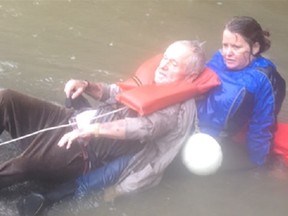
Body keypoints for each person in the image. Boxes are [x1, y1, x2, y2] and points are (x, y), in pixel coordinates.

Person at [14, 40, 219, 215]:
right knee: (76, 101)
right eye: (165, 58)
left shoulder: (178, 108)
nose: (163, 66)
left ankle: (45, 200)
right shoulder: (157, 79)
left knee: (92, 184)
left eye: (173, 64)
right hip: (117, 135)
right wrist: (85, 84)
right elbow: (116, 91)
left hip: (139, 157)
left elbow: (143, 127)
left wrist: (92, 129)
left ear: (191, 76)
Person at [195, 16, 286, 166]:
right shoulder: (219, 57)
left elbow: (261, 127)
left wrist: (258, 166)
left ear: (255, 48)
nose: (227, 53)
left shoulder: (265, 78)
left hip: (217, 143)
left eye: (236, 47)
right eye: (225, 45)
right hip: (190, 127)